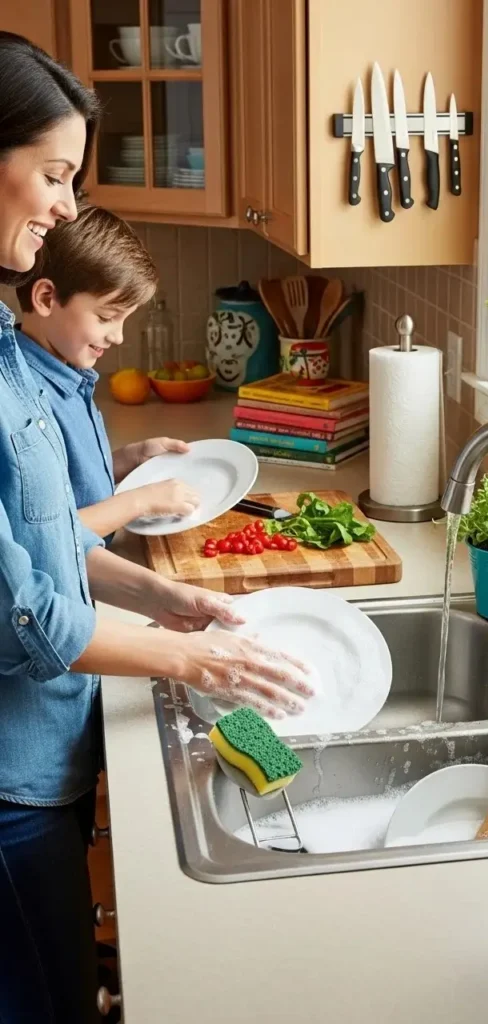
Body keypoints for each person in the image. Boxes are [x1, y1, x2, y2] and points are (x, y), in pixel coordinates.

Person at [0, 32, 313, 1023]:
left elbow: (51, 547)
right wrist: (200, 665)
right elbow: (31, 620)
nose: (61, 207)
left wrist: (167, 598)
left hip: (37, 781)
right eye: (53, 175)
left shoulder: (11, 348)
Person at [14, 201, 202, 542]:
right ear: (45, 298)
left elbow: (65, 488)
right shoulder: (22, 401)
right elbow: (47, 538)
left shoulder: (66, 373)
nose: (118, 336)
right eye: (105, 317)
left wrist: (127, 459)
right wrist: (140, 501)